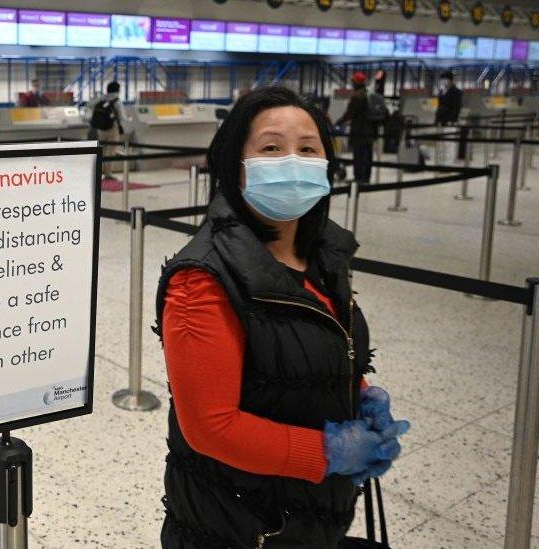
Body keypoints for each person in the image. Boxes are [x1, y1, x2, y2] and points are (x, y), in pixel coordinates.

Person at [156, 86, 409, 548]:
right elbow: (211, 427)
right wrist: (329, 452)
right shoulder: (203, 278)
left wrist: (360, 393)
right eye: (271, 147)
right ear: (237, 163)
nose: (293, 159)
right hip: (236, 526)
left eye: (308, 148)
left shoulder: (322, 255)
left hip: (309, 515)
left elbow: (311, 347)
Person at [336, 71, 375, 184]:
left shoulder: (357, 96)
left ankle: (359, 178)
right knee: (367, 155)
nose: (352, 83)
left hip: (359, 130)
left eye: (353, 81)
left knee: (359, 154)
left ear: (356, 82)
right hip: (369, 130)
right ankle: (366, 177)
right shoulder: (368, 94)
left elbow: (350, 113)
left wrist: (338, 123)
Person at [90, 81, 128, 179]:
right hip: (112, 128)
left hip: (101, 129)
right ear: (118, 90)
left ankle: (98, 172)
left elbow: (90, 105)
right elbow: (122, 117)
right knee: (111, 150)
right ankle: (108, 173)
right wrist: (129, 119)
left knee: (101, 150)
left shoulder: (102, 98)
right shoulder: (117, 101)